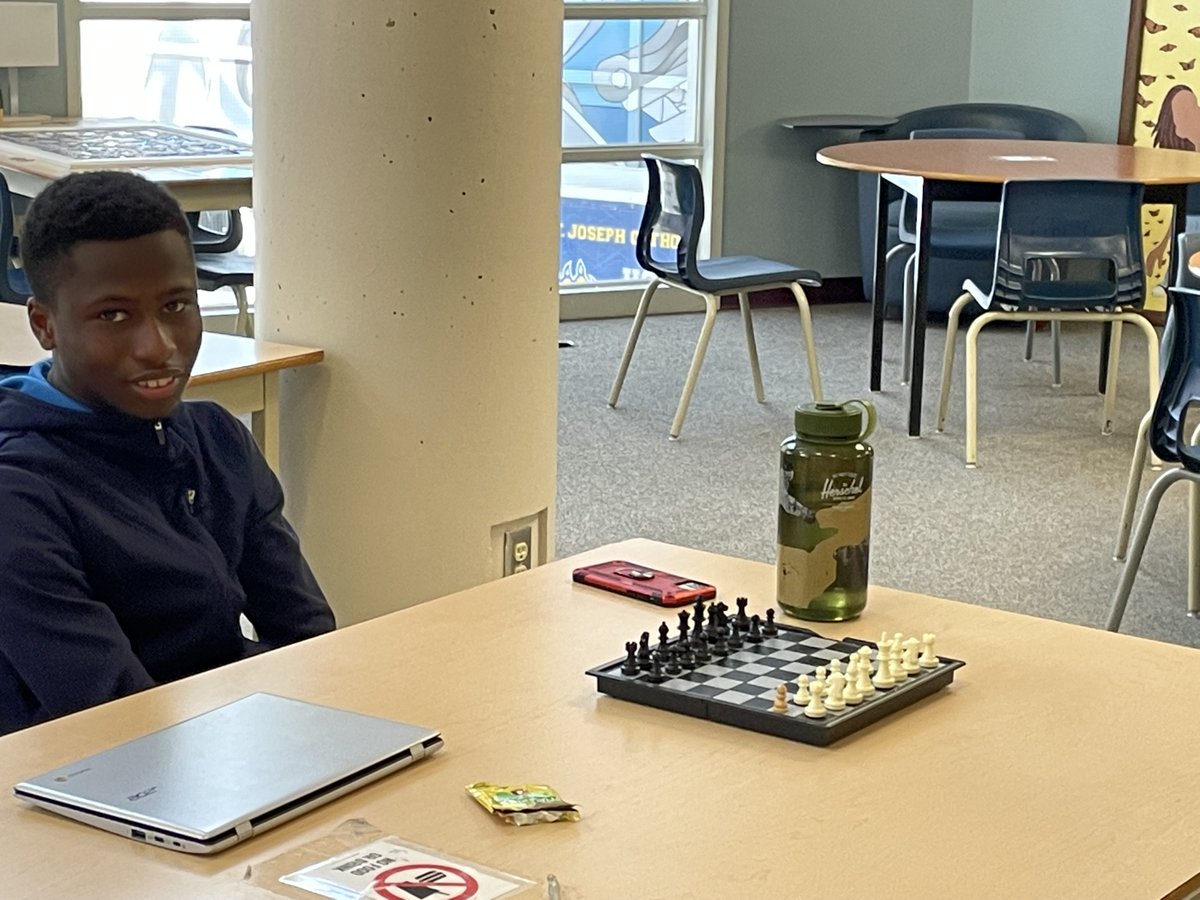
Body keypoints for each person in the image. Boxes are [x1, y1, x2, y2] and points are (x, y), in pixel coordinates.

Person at [0, 171, 335, 735]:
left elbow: (308, 638)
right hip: (88, 780)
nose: (159, 347)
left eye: (177, 305)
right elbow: (112, 717)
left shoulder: (216, 436)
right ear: (45, 325)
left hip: (222, 742)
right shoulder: (18, 492)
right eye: (113, 315)